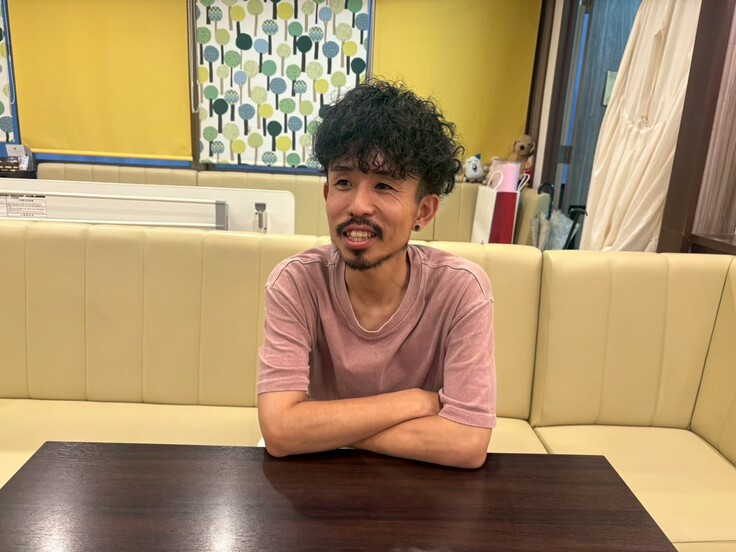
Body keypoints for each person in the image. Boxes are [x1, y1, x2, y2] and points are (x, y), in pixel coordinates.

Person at [257, 79, 496, 469]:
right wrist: (413, 402)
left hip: (419, 489)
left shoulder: (462, 289)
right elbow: (280, 431)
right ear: (327, 194)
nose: (358, 205)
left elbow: (467, 444)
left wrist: (321, 429)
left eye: (384, 186)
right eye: (344, 182)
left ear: (424, 212)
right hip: (315, 482)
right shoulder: (295, 283)